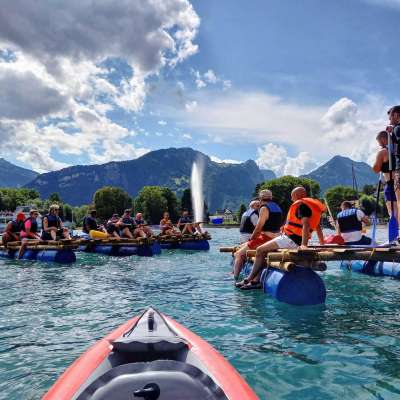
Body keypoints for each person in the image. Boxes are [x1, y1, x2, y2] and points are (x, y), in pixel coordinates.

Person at [237, 187, 325, 290]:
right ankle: (256, 280)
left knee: (260, 250)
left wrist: (304, 245)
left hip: (290, 239)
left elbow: (305, 225)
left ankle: (249, 279)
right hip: (291, 239)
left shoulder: (301, 205)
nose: (291, 199)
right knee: (266, 251)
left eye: (292, 196)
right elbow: (318, 229)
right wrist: (322, 244)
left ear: (296, 195)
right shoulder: (312, 207)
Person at [233, 190, 282, 280]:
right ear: (271, 197)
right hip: (277, 238)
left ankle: (235, 277)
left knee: (238, 254)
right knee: (242, 246)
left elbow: (259, 227)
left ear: (260, 198)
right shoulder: (277, 207)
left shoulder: (264, 208)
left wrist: (251, 239)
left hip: (266, 238)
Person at [372, 130, 397, 218]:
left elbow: (376, 169)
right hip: (398, 182)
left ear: (382, 140)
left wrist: (378, 158)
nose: (379, 145)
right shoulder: (397, 150)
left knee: (394, 214)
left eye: (379, 142)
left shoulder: (383, 152)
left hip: (391, 185)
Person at [387, 105, 400, 229]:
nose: (389, 120)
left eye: (390, 117)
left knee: (399, 202)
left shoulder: (397, 128)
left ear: (396, 115)